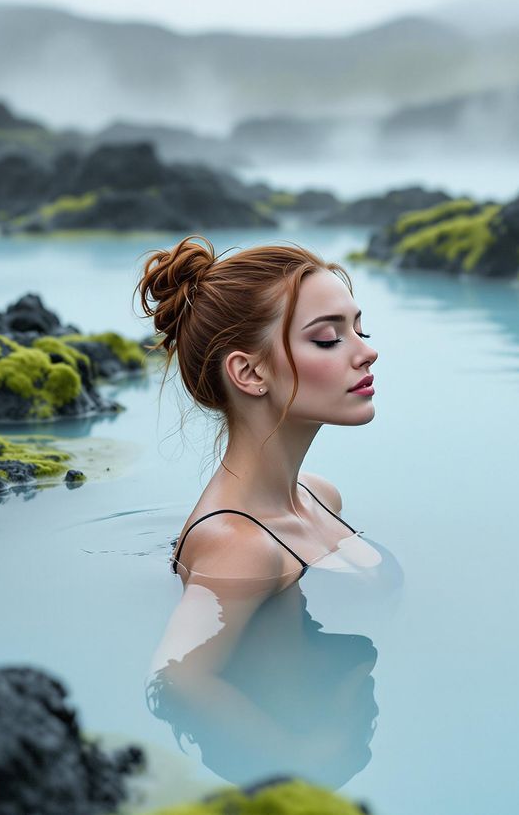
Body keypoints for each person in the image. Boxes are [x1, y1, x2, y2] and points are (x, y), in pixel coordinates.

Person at [133, 234, 390, 786]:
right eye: (328, 338)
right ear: (249, 374)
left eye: (358, 329)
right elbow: (174, 678)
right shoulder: (238, 545)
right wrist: (294, 759)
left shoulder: (321, 496)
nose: (365, 351)